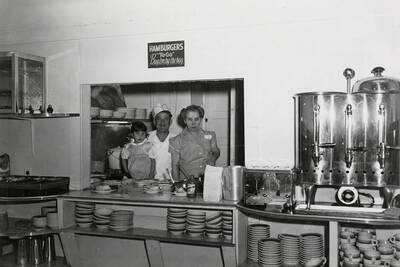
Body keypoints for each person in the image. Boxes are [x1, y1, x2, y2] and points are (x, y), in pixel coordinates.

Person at [169, 105, 220, 181]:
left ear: (201, 119)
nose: (193, 123)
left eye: (196, 119)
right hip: (188, 181)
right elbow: (175, 165)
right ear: (185, 120)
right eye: (190, 119)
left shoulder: (210, 135)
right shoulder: (176, 141)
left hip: (209, 179)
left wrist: (213, 158)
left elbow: (216, 150)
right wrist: (177, 185)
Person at [147, 104, 176, 181]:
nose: (162, 122)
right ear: (154, 121)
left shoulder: (176, 140)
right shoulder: (146, 138)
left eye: (166, 119)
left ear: (171, 121)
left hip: (169, 183)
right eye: (159, 119)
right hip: (148, 182)